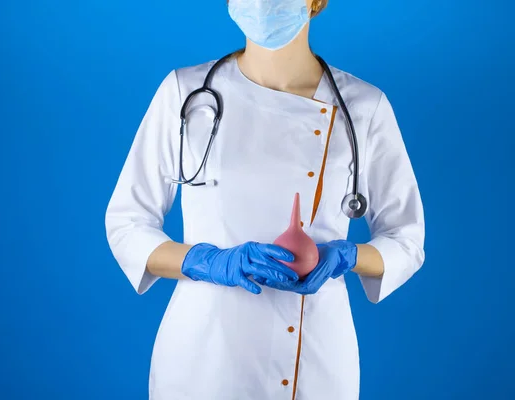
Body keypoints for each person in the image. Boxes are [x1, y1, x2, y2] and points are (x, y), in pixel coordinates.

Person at [105, 0, 425, 398]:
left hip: (313, 355)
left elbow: (407, 241)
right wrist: (206, 262)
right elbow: (126, 224)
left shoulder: (364, 107)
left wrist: (347, 256)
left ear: (316, 2)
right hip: (202, 359)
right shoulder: (186, 94)